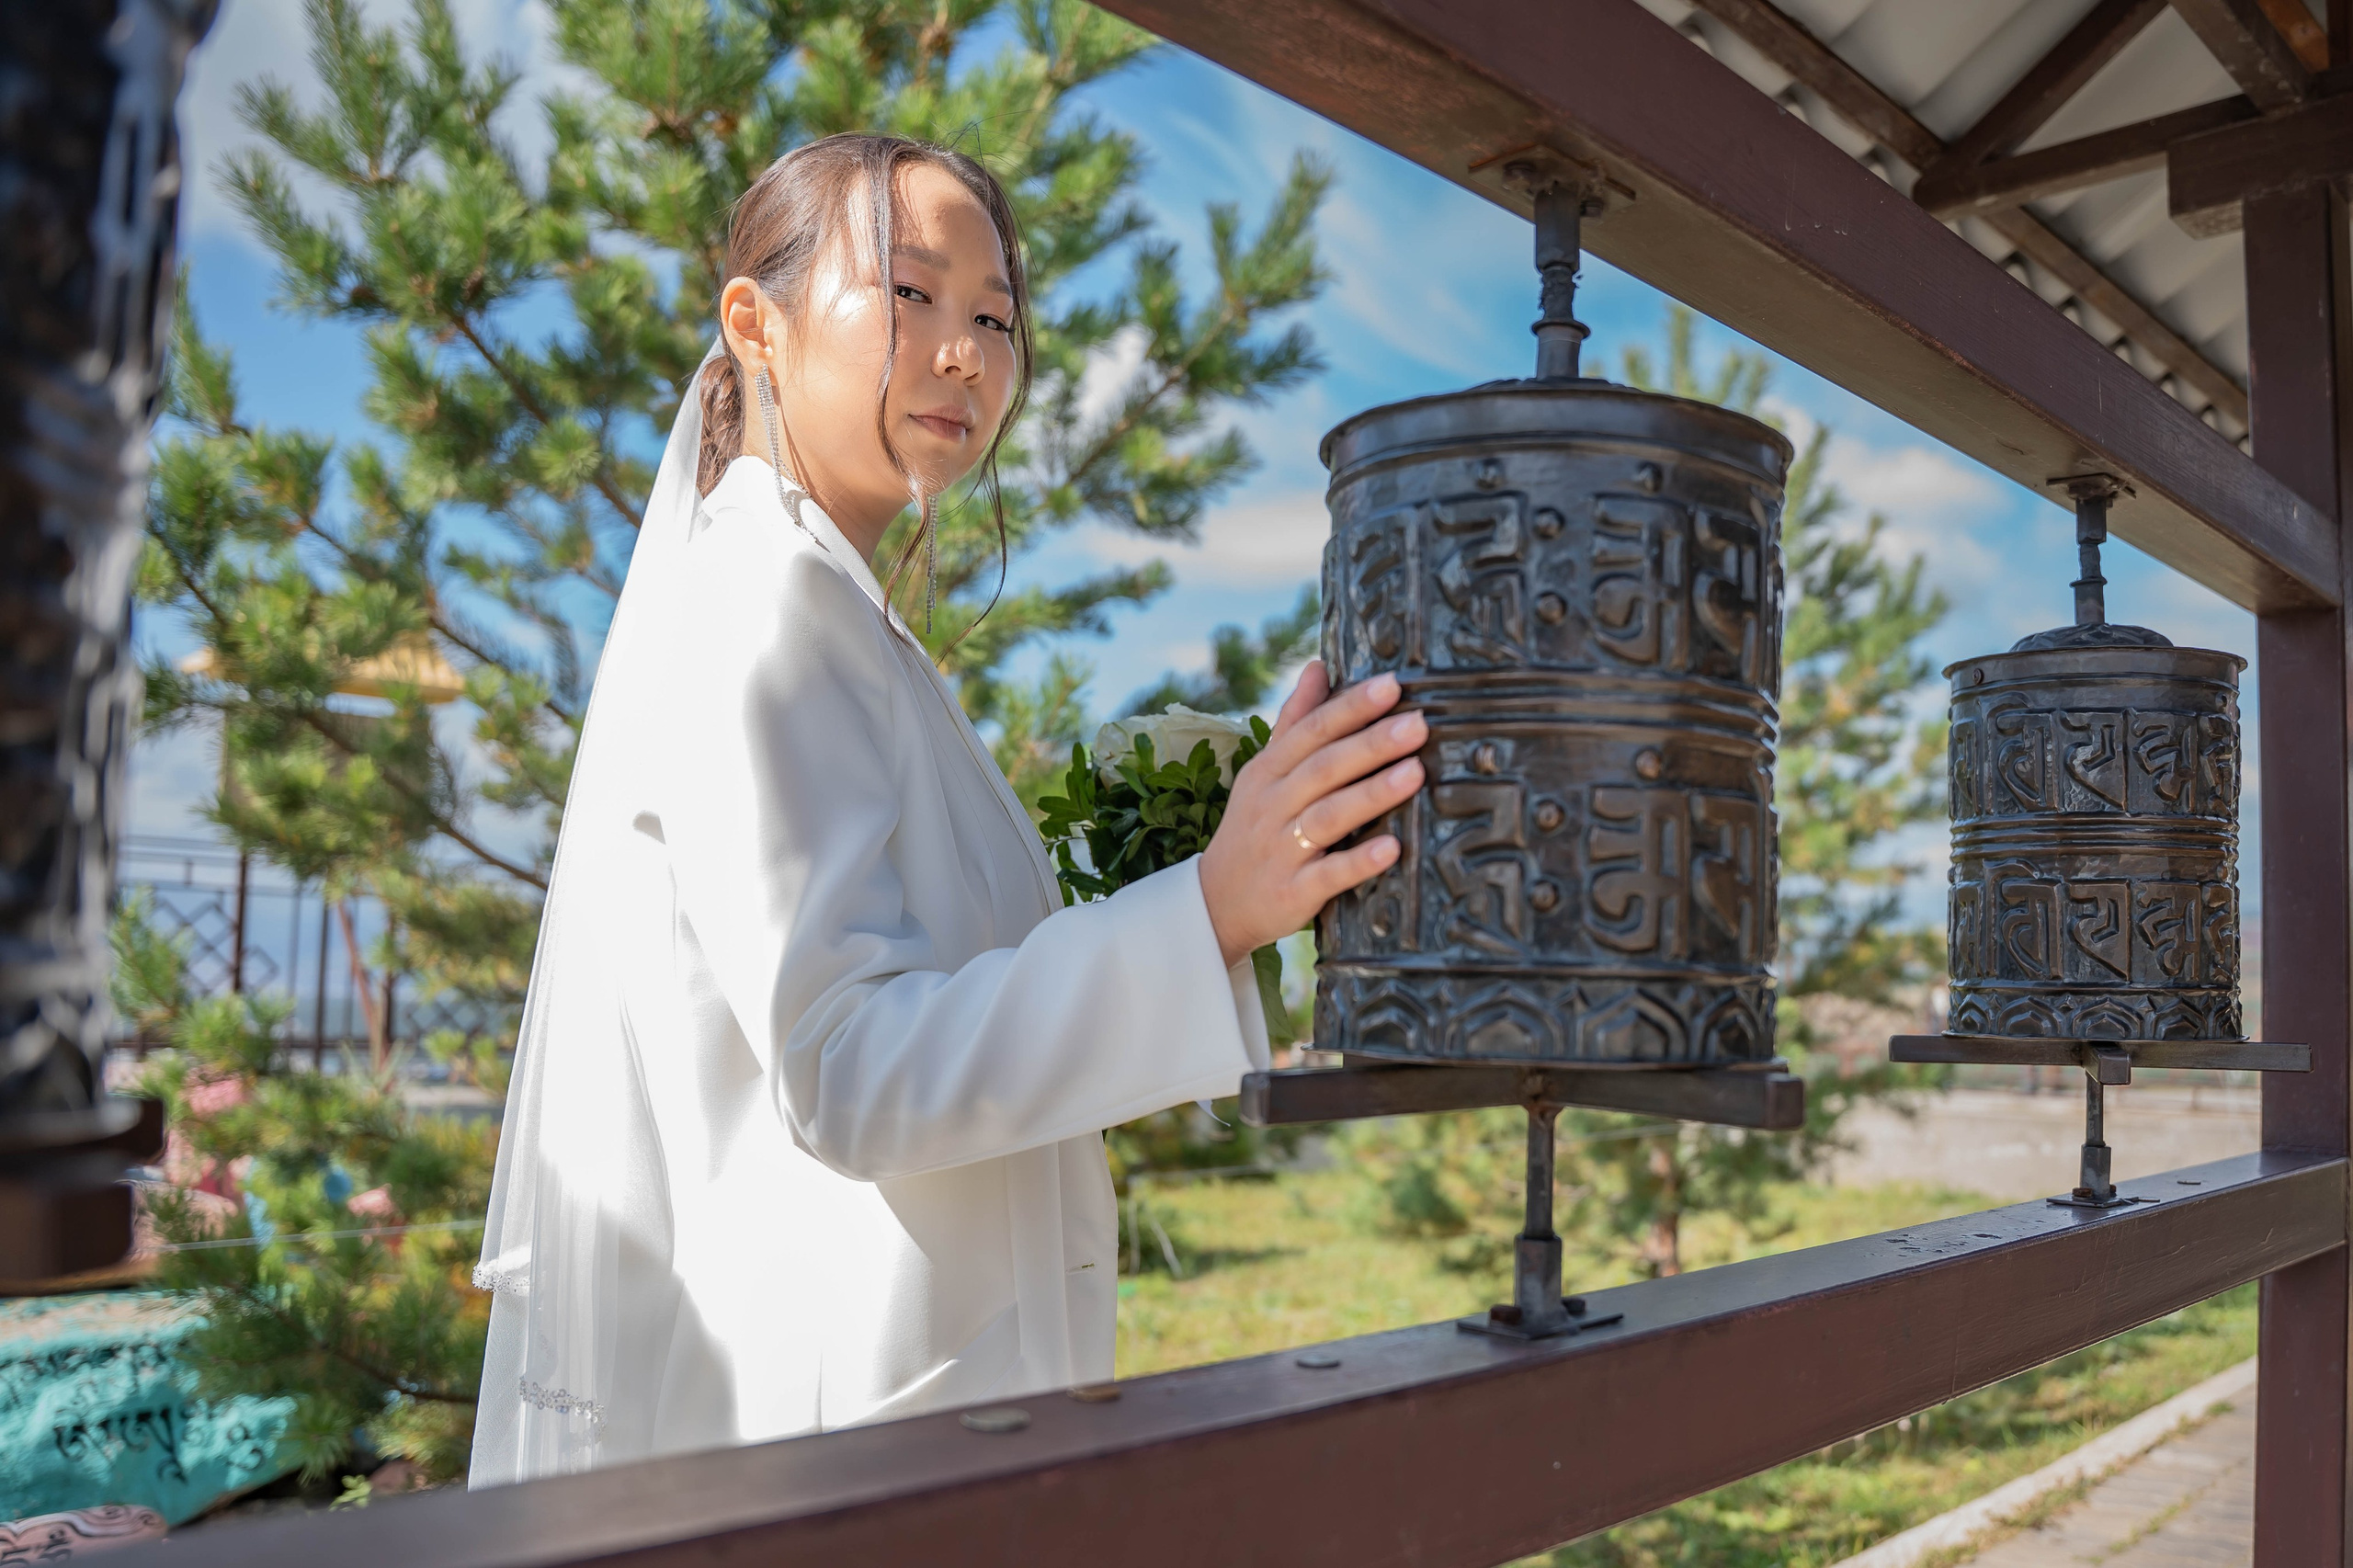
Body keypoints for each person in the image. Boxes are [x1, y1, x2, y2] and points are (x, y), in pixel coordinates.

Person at [468, 132, 1426, 1484]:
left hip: (900, 1418)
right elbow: (851, 1063)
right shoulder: (766, 605)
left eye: (995, 318)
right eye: (911, 294)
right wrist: (1209, 907)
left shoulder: (840, 620)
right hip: (852, 1441)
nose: (966, 353)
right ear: (757, 321)